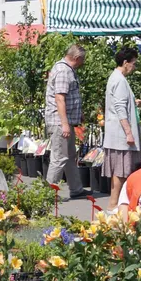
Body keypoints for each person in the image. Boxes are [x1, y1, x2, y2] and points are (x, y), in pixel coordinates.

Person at [45, 44, 89, 200]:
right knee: (59, 157)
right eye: (82, 60)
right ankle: (48, 194)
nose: (83, 63)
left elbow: (69, 96)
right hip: (60, 121)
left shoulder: (66, 70)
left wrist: (79, 113)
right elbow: (60, 98)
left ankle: (76, 189)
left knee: (69, 155)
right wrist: (64, 124)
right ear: (76, 58)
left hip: (66, 120)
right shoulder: (64, 71)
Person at [103, 47, 141, 207]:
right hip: (120, 135)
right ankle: (114, 205)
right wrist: (129, 133)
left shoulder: (116, 78)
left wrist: (133, 103)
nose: (134, 67)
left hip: (117, 133)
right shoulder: (119, 80)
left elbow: (120, 103)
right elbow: (119, 107)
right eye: (133, 63)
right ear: (125, 62)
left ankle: (116, 204)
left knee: (119, 171)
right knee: (120, 171)